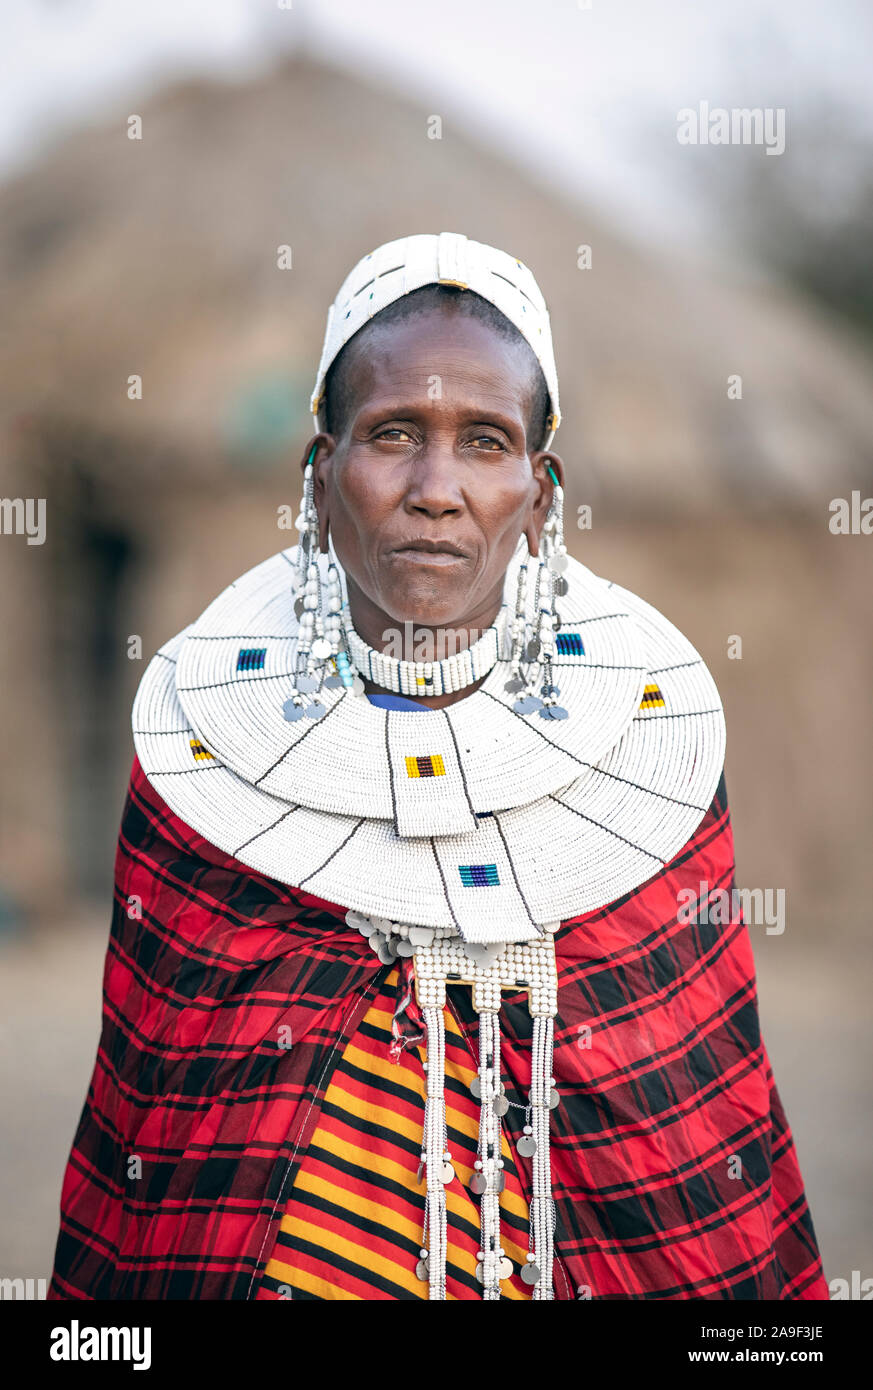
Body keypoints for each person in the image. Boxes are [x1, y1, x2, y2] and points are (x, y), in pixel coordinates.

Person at [48, 232, 828, 1301]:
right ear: (321, 477)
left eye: (486, 442)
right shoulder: (201, 780)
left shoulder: (650, 773)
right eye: (394, 434)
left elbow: (700, 1156)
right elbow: (146, 1156)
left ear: (540, 496)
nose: (435, 488)